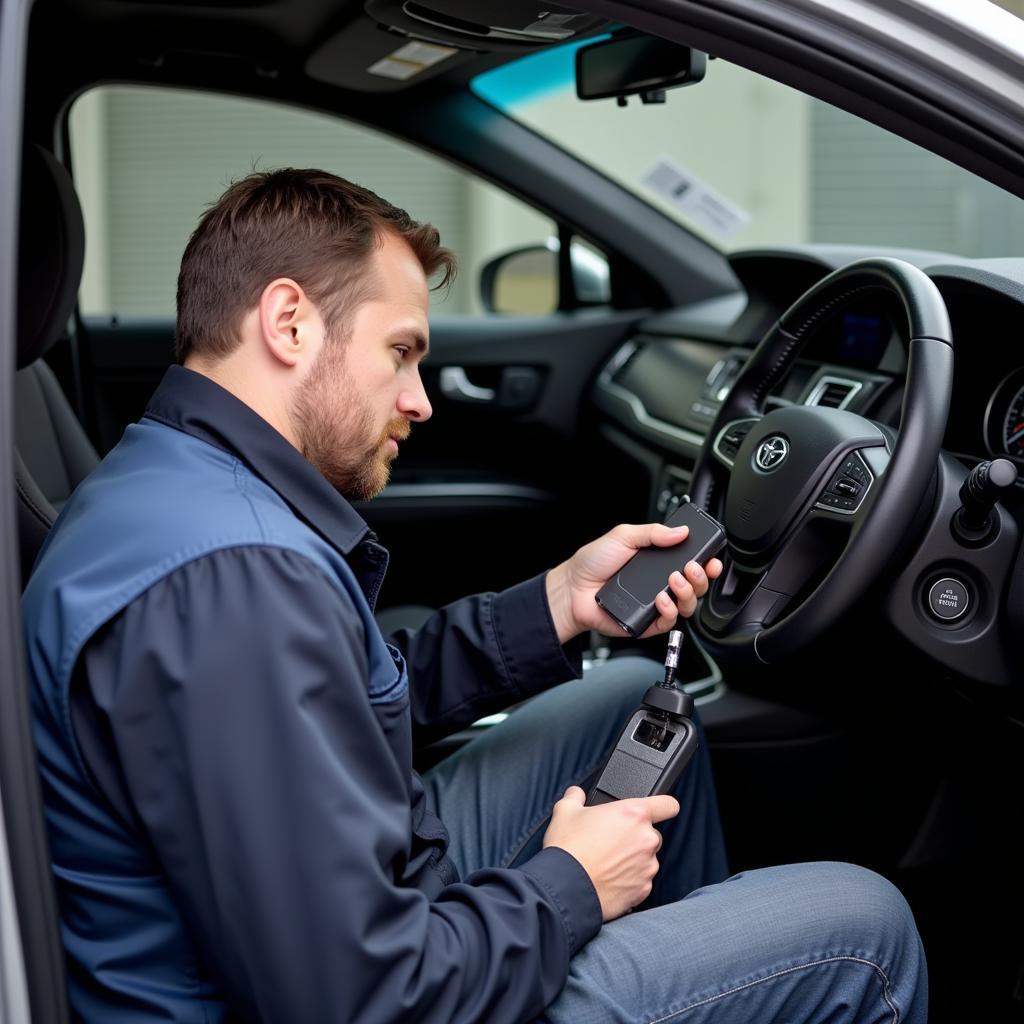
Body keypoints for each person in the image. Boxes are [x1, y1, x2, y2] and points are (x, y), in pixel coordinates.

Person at [22, 168, 927, 1024]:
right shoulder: (227, 583)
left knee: (623, 703)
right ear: (289, 323)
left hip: (362, 913)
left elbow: (344, 701)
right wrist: (573, 882)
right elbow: (361, 999)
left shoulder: (182, 481)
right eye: (402, 352)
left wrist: (562, 603)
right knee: (866, 932)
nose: (421, 400)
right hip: (370, 984)